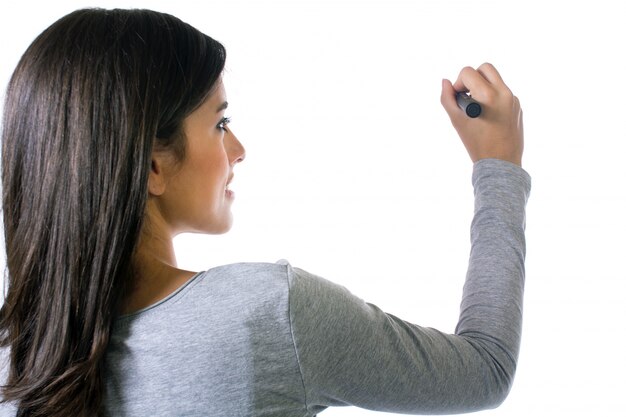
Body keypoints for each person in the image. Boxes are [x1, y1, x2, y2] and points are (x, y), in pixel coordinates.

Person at [0, 8, 530, 417]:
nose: (238, 148)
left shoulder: (14, 358)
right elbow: (485, 368)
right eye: (219, 122)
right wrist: (498, 165)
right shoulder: (267, 315)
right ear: (153, 165)